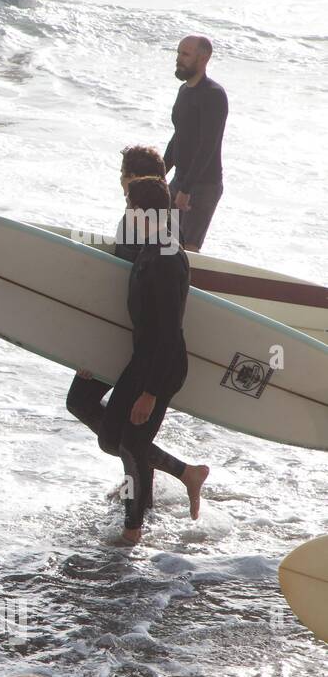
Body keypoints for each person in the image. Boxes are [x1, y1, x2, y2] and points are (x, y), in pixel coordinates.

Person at [66, 146, 208, 519]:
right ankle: (164, 477)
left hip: (149, 355)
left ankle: (138, 513)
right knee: (107, 426)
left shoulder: (159, 249)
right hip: (133, 343)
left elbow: (157, 318)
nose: (121, 184)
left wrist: (147, 389)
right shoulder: (151, 237)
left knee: (126, 437)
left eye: (124, 176)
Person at [96, 177, 192, 545]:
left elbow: (169, 329)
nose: (126, 211)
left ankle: (133, 531)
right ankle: (186, 474)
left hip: (161, 366)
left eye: (129, 204)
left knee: (132, 445)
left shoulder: (167, 256)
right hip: (144, 358)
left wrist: (151, 391)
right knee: (111, 438)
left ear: (143, 211)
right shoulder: (150, 248)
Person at [165, 36, 227, 251]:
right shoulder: (184, 91)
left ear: (203, 58)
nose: (178, 59)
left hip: (202, 186)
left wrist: (186, 189)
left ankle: (185, 283)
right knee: (163, 242)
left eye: (185, 54)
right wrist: (157, 172)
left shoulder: (213, 95)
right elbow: (178, 137)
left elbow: (207, 146)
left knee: (186, 249)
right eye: (178, 53)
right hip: (181, 180)